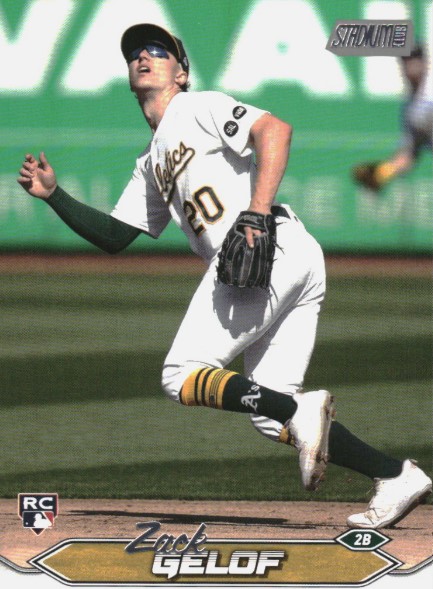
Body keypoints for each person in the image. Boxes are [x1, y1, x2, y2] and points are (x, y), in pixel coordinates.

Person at [17, 23, 431, 528]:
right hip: (288, 257)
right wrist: (53, 195)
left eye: (159, 50)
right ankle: (394, 475)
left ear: (181, 72)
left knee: (180, 374)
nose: (144, 56)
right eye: (136, 53)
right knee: (270, 412)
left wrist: (256, 213)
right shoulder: (150, 162)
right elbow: (115, 236)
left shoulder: (198, 107)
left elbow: (275, 131)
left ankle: (304, 413)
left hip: (264, 246)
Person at [353, 43, 432, 191]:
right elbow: (410, 152)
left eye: (415, 58)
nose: (410, 64)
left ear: (424, 62)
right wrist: (384, 171)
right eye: (406, 60)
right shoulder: (410, 107)